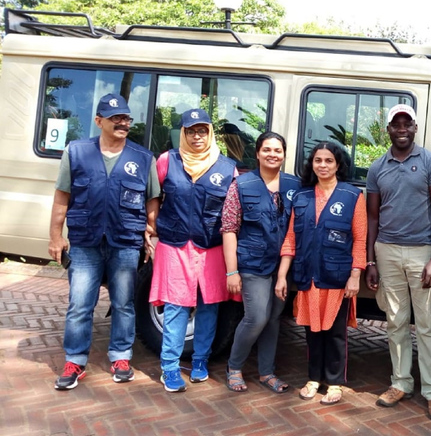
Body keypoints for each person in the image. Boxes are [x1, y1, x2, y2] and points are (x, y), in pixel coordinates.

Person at [49, 93, 160, 390]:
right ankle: (74, 360)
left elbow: (151, 202)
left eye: (126, 118)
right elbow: (62, 197)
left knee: (124, 303)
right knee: (80, 304)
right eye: (116, 119)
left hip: (125, 241)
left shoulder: (143, 157)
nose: (122, 123)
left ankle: (121, 357)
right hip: (85, 241)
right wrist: (56, 236)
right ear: (99, 121)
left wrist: (151, 234)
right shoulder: (76, 152)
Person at [365, 104, 431, 421]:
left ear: (415, 127)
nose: (401, 128)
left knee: (428, 325)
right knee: (395, 322)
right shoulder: (378, 167)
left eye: (407, 123)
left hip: (423, 252)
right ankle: (400, 382)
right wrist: (370, 260)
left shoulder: (429, 161)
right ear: (388, 129)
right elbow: (373, 216)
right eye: (395, 124)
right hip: (386, 252)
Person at [148, 108, 238, 393]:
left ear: (210, 133)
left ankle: (200, 361)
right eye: (191, 131)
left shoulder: (227, 167)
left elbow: (232, 214)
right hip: (174, 245)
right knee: (176, 307)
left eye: (202, 130)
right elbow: (151, 197)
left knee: (209, 307)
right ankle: (170, 367)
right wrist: (149, 231)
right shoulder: (166, 161)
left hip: (211, 247)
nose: (197, 136)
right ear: (183, 133)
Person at [275, 141, 366, 406]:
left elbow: (360, 239)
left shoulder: (352, 196)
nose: (322, 165)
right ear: (311, 164)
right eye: (318, 160)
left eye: (328, 160)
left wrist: (355, 275)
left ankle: (335, 382)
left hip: (337, 278)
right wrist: (282, 276)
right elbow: (291, 238)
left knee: (336, 334)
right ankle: (314, 378)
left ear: (338, 164)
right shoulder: (302, 197)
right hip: (308, 276)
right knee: (312, 331)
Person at [221, 131, 301, 393]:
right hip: (252, 263)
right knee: (256, 317)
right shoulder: (241, 185)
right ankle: (234, 367)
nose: (272, 154)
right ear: (257, 153)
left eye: (278, 150)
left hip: (283, 266)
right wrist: (232, 271)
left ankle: (267, 372)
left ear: (284, 154)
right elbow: (230, 228)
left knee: (275, 317)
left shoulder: (294, 185)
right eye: (267, 149)